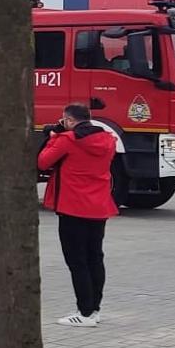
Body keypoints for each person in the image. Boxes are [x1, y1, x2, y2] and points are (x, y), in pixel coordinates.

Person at [38, 103, 120, 327]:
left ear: (70, 120)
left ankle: (83, 313)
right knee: (95, 257)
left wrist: (55, 137)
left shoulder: (68, 140)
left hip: (72, 206)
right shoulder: (108, 139)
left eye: (64, 121)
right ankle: (94, 309)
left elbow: (43, 161)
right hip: (98, 206)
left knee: (77, 261)